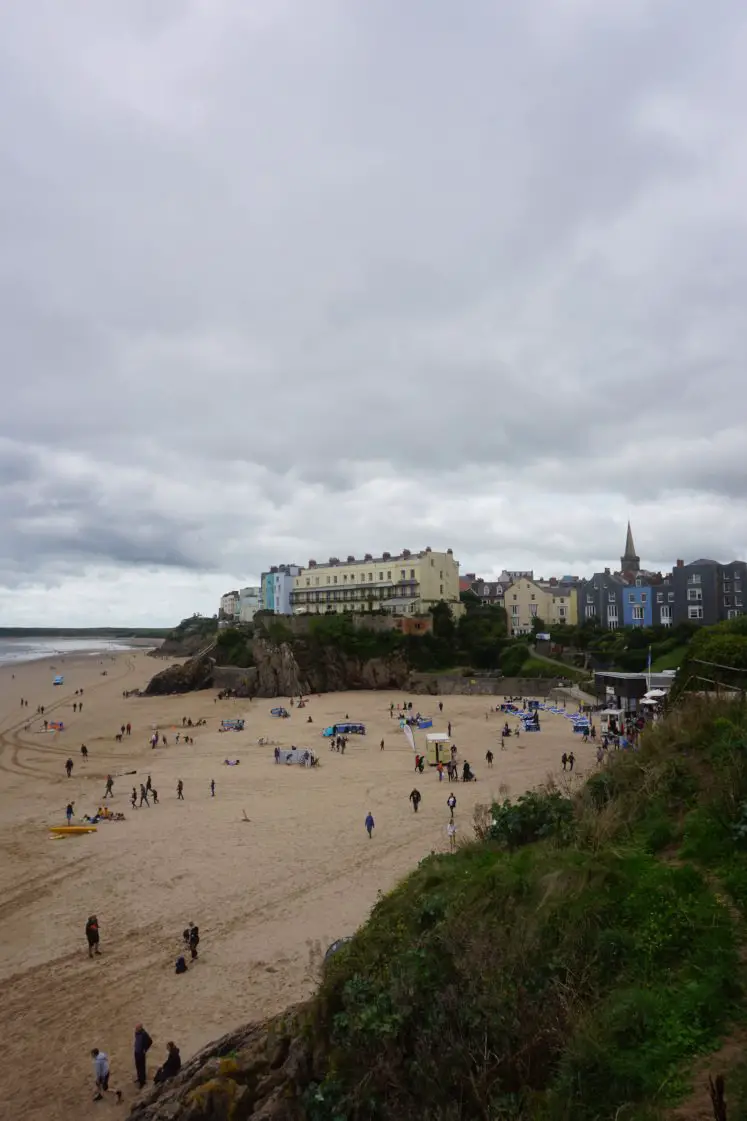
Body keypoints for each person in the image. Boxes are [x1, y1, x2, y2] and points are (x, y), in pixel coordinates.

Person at [134, 1024, 153, 1088]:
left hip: (141, 1053)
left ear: (140, 1028)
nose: (136, 1029)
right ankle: (139, 1078)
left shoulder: (144, 1034)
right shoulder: (136, 1033)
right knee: (138, 1066)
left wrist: (145, 1049)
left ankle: (142, 1082)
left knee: (142, 1067)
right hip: (136, 1052)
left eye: (137, 1028)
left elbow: (150, 1041)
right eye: (136, 1028)